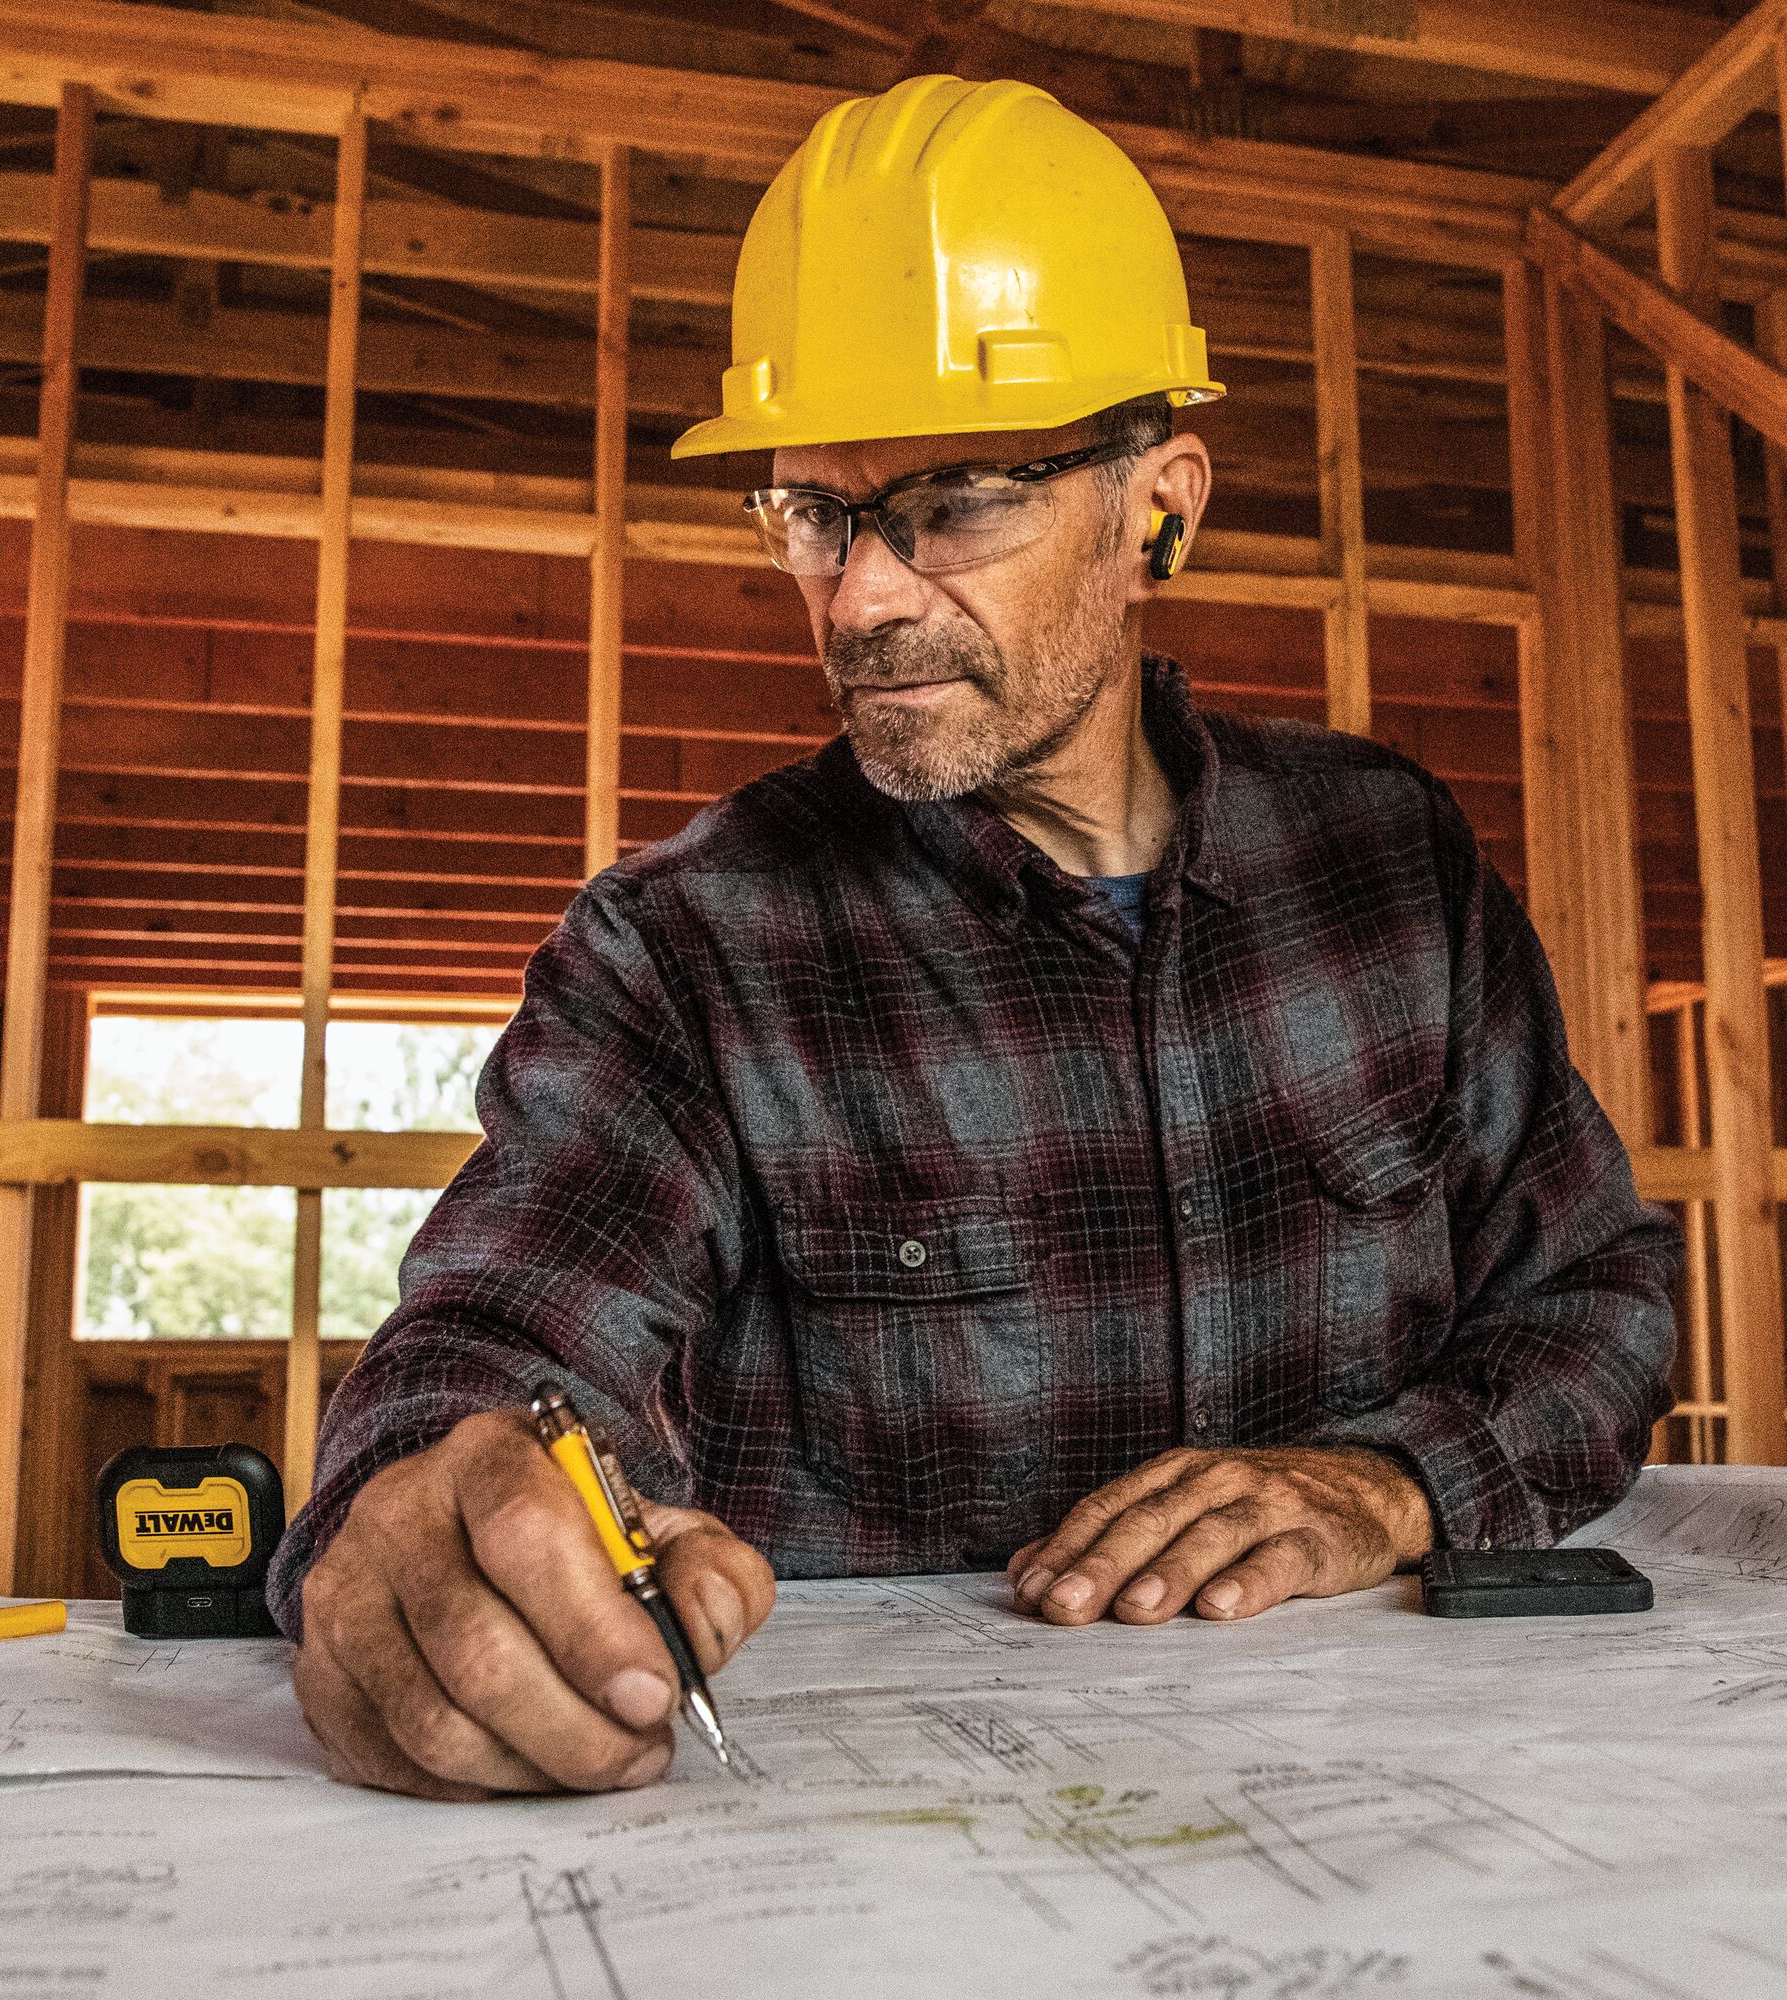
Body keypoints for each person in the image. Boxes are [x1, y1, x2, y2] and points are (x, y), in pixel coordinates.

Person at [269, 75, 1681, 1802]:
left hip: (1401, 1826)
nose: (858, 597)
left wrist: (1386, 1489)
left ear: (1159, 503)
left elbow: (1597, 1301)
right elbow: (506, 1330)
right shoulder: (691, 950)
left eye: (952, 504)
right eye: (815, 514)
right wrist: (426, 1500)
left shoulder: (1389, 862)